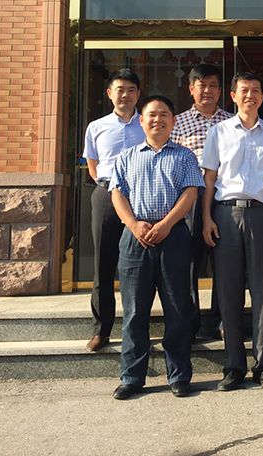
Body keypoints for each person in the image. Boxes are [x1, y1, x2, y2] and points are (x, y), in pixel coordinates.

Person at [108, 95, 205, 400]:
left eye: (164, 114)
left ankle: (179, 375)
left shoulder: (185, 156)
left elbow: (191, 193)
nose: (157, 119)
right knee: (135, 311)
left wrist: (166, 224)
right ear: (141, 121)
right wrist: (133, 224)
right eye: (151, 114)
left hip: (173, 236)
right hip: (134, 238)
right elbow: (117, 193)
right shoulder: (126, 156)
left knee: (177, 309)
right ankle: (131, 377)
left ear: (173, 122)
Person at [200, 72, 263, 390]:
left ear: (262, 97)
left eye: (255, 90)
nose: (250, 95)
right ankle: (233, 366)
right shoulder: (219, 132)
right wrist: (206, 218)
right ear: (233, 96)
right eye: (244, 90)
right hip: (225, 214)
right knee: (229, 291)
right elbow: (209, 178)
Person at [82, 69, 146, 352]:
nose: (126, 95)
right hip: (106, 194)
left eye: (131, 90)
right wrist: (109, 186)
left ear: (138, 94)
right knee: (103, 264)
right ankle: (101, 329)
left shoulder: (147, 124)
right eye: (120, 89)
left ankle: (138, 327)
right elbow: (93, 165)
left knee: (141, 264)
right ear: (110, 94)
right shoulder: (96, 127)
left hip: (142, 196)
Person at [171, 63, 232, 341]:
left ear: (221, 91)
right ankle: (191, 322)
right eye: (202, 85)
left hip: (223, 198)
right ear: (191, 89)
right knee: (190, 262)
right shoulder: (177, 122)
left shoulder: (232, 122)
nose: (207, 90)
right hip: (190, 199)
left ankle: (222, 320)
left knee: (224, 262)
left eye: (213, 85)